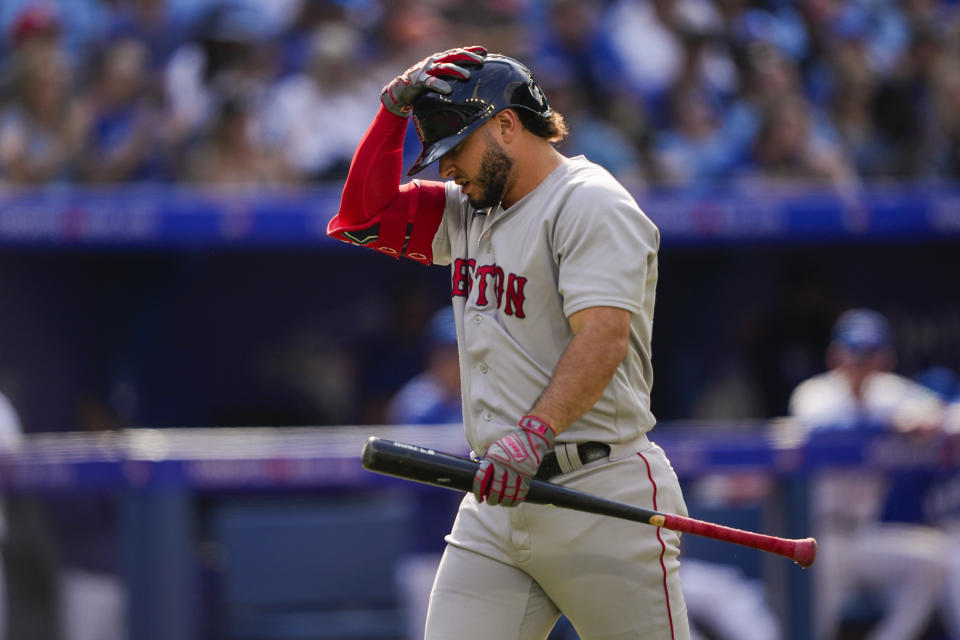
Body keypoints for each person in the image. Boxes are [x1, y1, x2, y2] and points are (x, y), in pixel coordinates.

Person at [328, 46, 689, 639]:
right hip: (496, 501)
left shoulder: (588, 200)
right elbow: (363, 218)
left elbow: (604, 338)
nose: (445, 170)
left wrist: (532, 434)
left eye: (454, 149)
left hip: (596, 487)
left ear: (506, 125)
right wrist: (391, 111)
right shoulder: (472, 208)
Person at [789, 308, 948, 640]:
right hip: (820, 538)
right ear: (835, 355)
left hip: (866, 535)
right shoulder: (814, 394)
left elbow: (942, 413)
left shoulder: (891, 392)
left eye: (869, 353)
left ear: (884, 358)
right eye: (853, 352)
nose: (860, 363)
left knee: (934, 560)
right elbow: (823, 429)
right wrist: (890, 425)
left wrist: (927, 420)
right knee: (811, 630)